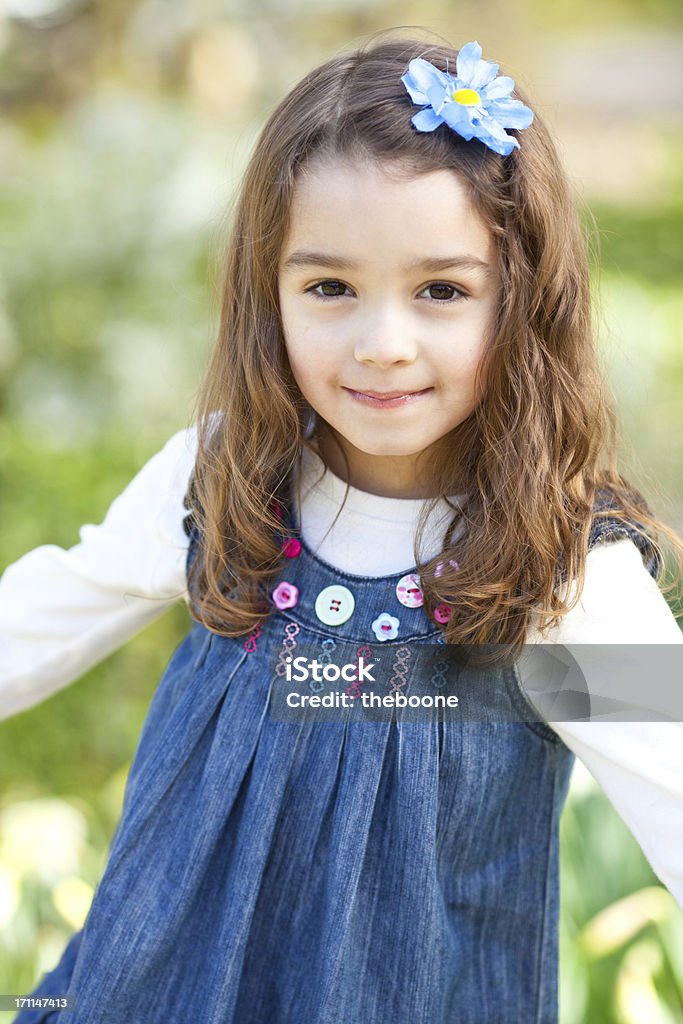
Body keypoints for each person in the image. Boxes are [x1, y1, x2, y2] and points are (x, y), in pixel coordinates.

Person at [1, 33, 682, 1024]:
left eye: (441, 291)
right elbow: (38, 619)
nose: (381, 344)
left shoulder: (557, 571)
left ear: (521, 301)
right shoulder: (223, 481)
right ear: (264, 291)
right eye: (329, 287)